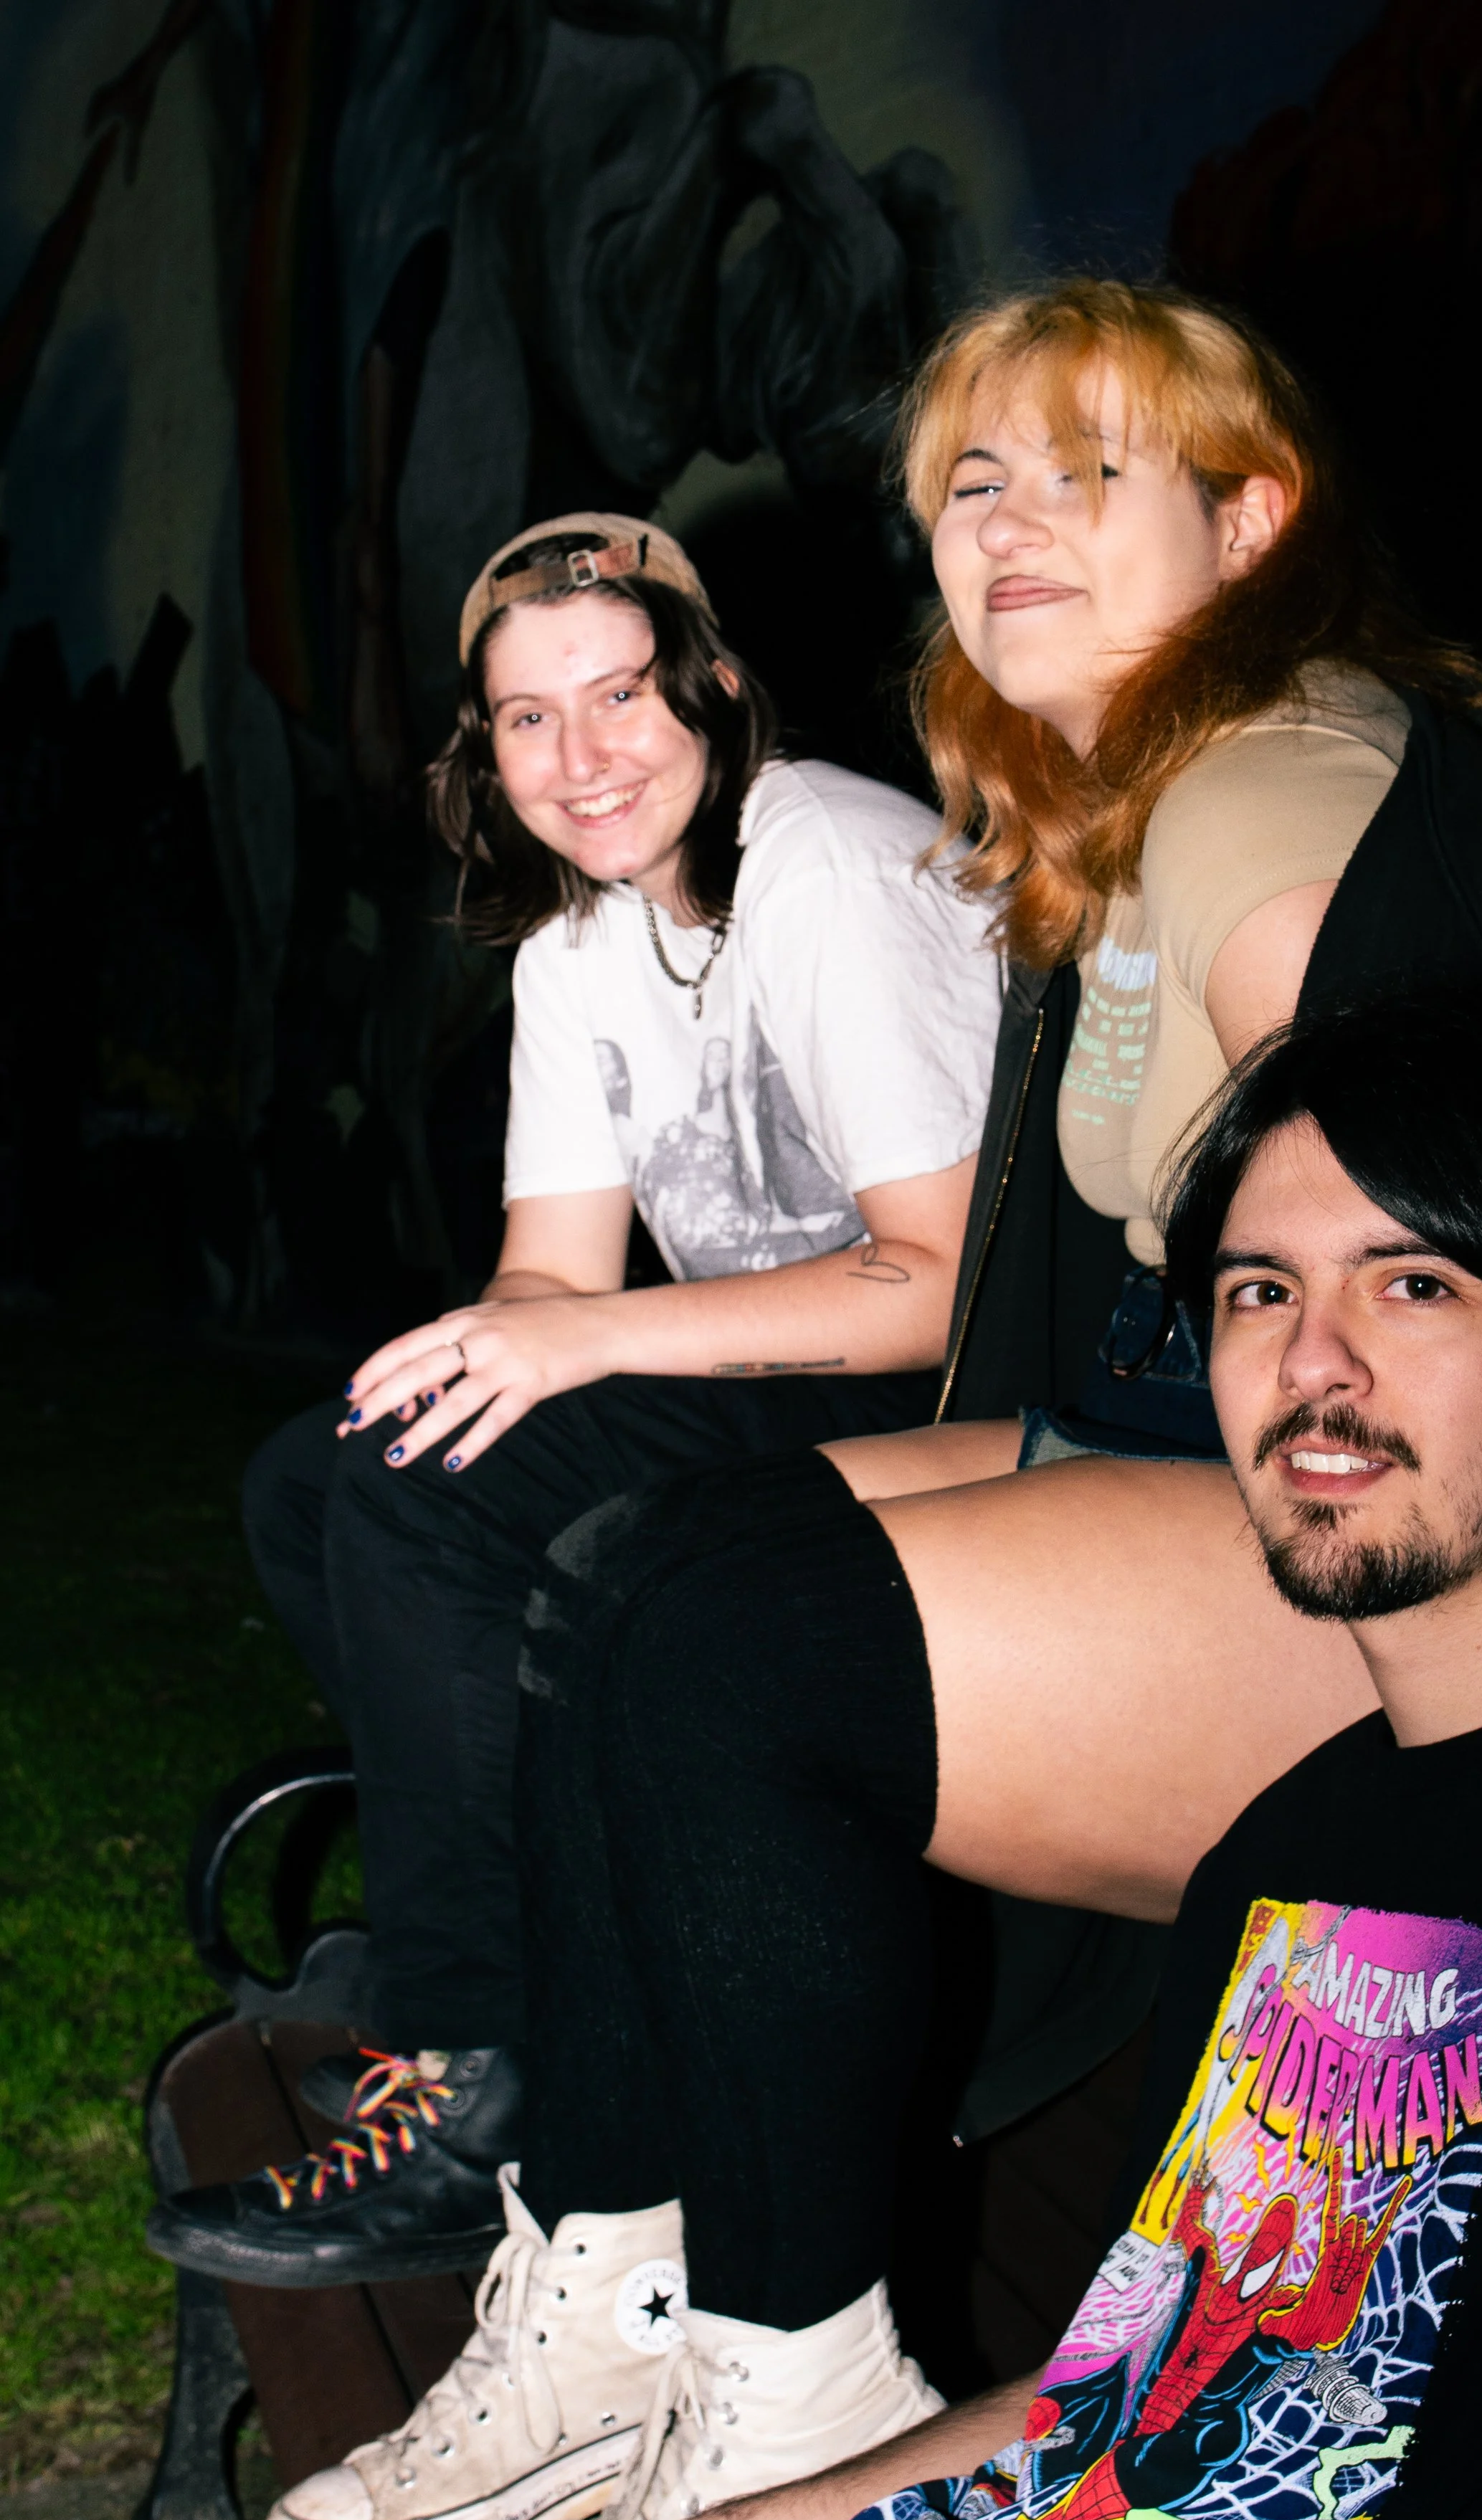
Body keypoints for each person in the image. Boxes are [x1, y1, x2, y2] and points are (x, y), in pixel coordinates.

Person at [151, 282, 1482, 2520]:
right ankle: (605, 2274)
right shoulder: (1124, 815)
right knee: (625, 1574)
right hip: (1193, 1460)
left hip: (1442, 1615)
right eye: (971, 480)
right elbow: (1125, 1330)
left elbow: (1405, 1341)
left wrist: (1414, 1901)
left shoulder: (1268, 796)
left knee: (718, 1629)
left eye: (1087, 470)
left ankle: (794, 2383)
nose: (1007, 520)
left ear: (1250, 520)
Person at [480, 978, 1482, 2520]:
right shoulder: (1296, 1842)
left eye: (1412, 1284)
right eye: (1258, 1291)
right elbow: (1138, 2386)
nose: (1310, 1367)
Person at [189, 504, 1001, 2250]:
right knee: (325, 1475)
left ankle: (482, 2064)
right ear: (483, 752)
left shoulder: (823, 865)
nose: (582, 757)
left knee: (420, 1497)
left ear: (715, 688)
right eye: (529, 718)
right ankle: (536, 1947)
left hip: (961, 1402)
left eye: (621, 694)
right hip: (778, 1371)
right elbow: (549, 1277)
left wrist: (583, 1341)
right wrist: (494, 1352)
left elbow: (944, 1289)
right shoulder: (577, 931)